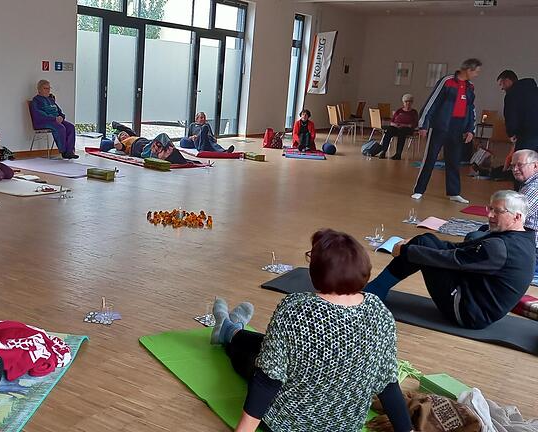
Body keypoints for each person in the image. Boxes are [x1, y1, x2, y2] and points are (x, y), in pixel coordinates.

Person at [211, 229, 413, 432]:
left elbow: (267, 380)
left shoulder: (295, 309)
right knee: (277, 348)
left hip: (288, 423)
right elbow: (388, 383)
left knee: (257, 359)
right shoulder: (378, 311)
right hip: (345, 425)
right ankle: (230, 330)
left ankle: (229, 332)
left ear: (317, 269)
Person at [365, 190, 535, 330]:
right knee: (425, 241)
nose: (489, 215)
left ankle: (374, 291)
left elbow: (450, 259)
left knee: (421, 252)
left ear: (517, 217)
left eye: (497, 211)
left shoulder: (499, 248)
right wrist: (412, 246)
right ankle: (376, 289)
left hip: (469, 312)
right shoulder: (522, 237)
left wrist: (407, 250)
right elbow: (460, 250)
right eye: (489, 209)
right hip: (475, 295)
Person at [412, 58, 481, 204]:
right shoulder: (447, 81)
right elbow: (432, 102)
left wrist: (470, 129)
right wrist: (423, 124)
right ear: (468, 70)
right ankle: (419, 190)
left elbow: (471, 109)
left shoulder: (471, 87)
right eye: (476, 71)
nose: (477, 74)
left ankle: (454, 192)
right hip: (440, 126)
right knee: (430, 158)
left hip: (457, 128)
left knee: (454, 160)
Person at [31, 80, 78, 159]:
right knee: (60, 128)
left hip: (56, 120)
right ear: (39, 89)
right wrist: (54, 118)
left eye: (49, 88)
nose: (48, 90)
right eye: (45, 88)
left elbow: (59, 111)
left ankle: (69, 151)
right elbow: (39, 115)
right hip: (44, 122)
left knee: (70, 127)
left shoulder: (51, 100)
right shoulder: (36, 101)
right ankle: (63, 151)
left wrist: (61, 117)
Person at [111, 122, 196, 165]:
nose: (124, 135)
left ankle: (171, 153)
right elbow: (117, 145)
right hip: (144, 150)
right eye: (121, 135)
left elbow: (126, 129)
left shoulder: (134, 136)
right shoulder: (124, 143)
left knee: (163, 142)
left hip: (150, 144)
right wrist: (115, 137)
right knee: (163, 136)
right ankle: (167, 153)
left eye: (125, 133)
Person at [497, 70, 538, 152]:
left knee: (522, 161)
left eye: (501, 84)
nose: (502, 88)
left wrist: (511, 133)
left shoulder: (511, 95)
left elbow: (511, 116)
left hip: (526, 135)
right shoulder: (535, 90)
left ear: (507, 80)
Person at [377, 94, 418, 160]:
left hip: (407, 129)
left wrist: (405, 125)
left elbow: (415, 124)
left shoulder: (414, 112)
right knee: (389, 130)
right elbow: (392, 122)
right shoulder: (399, 111)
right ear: (403, 102)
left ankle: (398, 154)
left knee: (402, 131)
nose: (408, 103)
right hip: (397, 128)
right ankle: (383, 151)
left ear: (412, 103)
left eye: (410, 101)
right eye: (406, 101)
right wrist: (396, 125)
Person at [511, 149, 538, 248]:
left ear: (535, 165)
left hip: (532, 243)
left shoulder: (534, 187)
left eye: (520, 165)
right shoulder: (529, 183)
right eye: (513, 166)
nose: (515, 169)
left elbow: (514, 217)